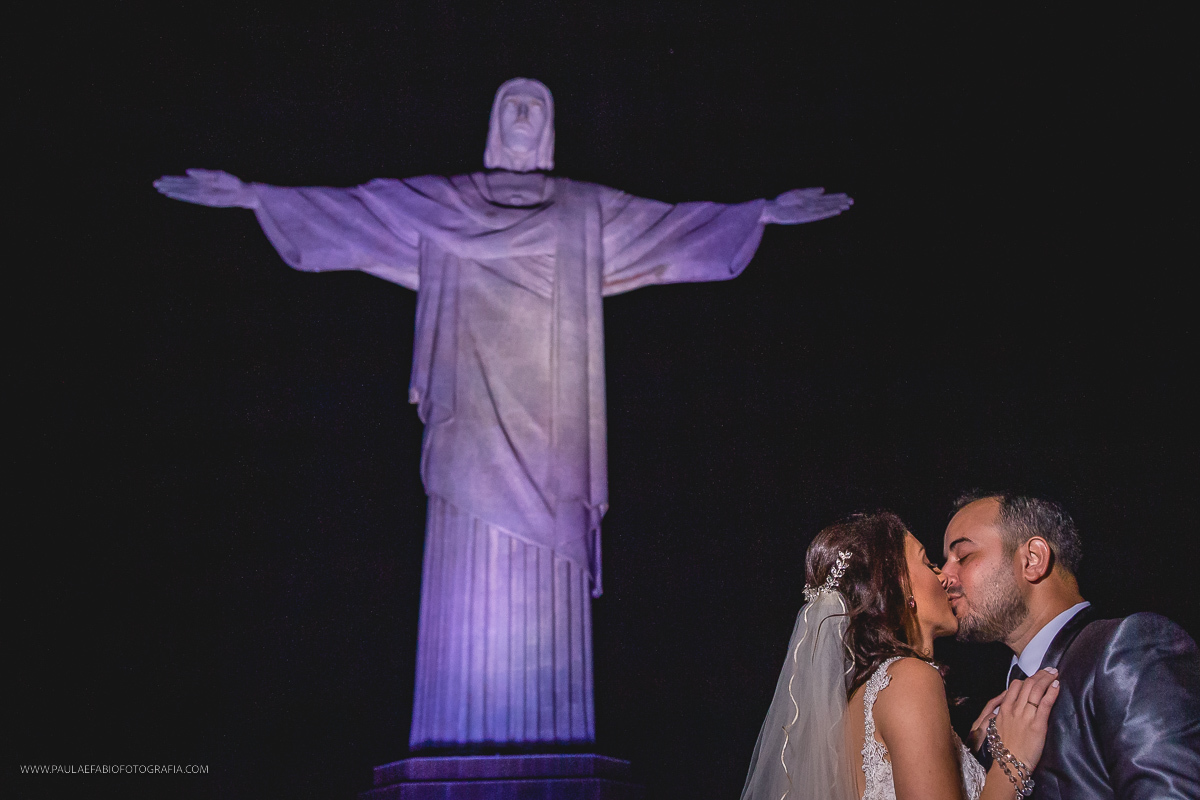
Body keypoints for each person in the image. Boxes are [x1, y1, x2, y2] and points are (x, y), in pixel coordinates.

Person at [155, 78, 854, 750]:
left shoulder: (584, 207)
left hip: (555, 426)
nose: (522, 115)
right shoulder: (445, 200)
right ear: (496, 121)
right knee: (464, 541)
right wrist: (253, 196)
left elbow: (670, 228)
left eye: (534, 105)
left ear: (547, 126)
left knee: (550, 551)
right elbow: (357, 211)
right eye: (511, 104)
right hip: (469, 416)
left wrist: (756, 213)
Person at [742, 512, 1059, 800]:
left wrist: (966, 753)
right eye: (928, 562)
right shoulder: (910, 677)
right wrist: (1010, 763)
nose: (945, 577)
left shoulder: (858, 702)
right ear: (899, 585)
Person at [942, 494, 1200, 800]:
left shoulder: (1127, 648)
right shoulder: (993, 714)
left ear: (1032, 559)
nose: (944, 577)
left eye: (963, 556)